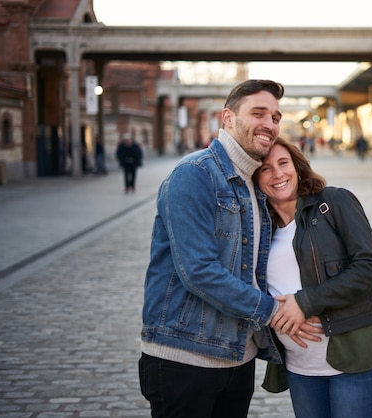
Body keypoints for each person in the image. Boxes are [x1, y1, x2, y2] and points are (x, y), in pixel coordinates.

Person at [138, 79, 287, 418]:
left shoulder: (254, 181)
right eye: (258, 113)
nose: (270, 124)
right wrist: (272, 311)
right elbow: (199, 271)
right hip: (186, 356)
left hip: (238, 355)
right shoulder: (196, 173)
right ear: (228, 118)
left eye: (276, 117)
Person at [254, 137, 372, 418]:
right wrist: (272, 312)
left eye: (283, 163)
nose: (278, 173)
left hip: (355, 360)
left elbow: (370, 266)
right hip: (300, 368)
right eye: (266, 169)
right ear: (255, 179)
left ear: (297, 166)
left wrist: (304, 303)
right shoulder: (258, 229)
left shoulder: (333, 201)